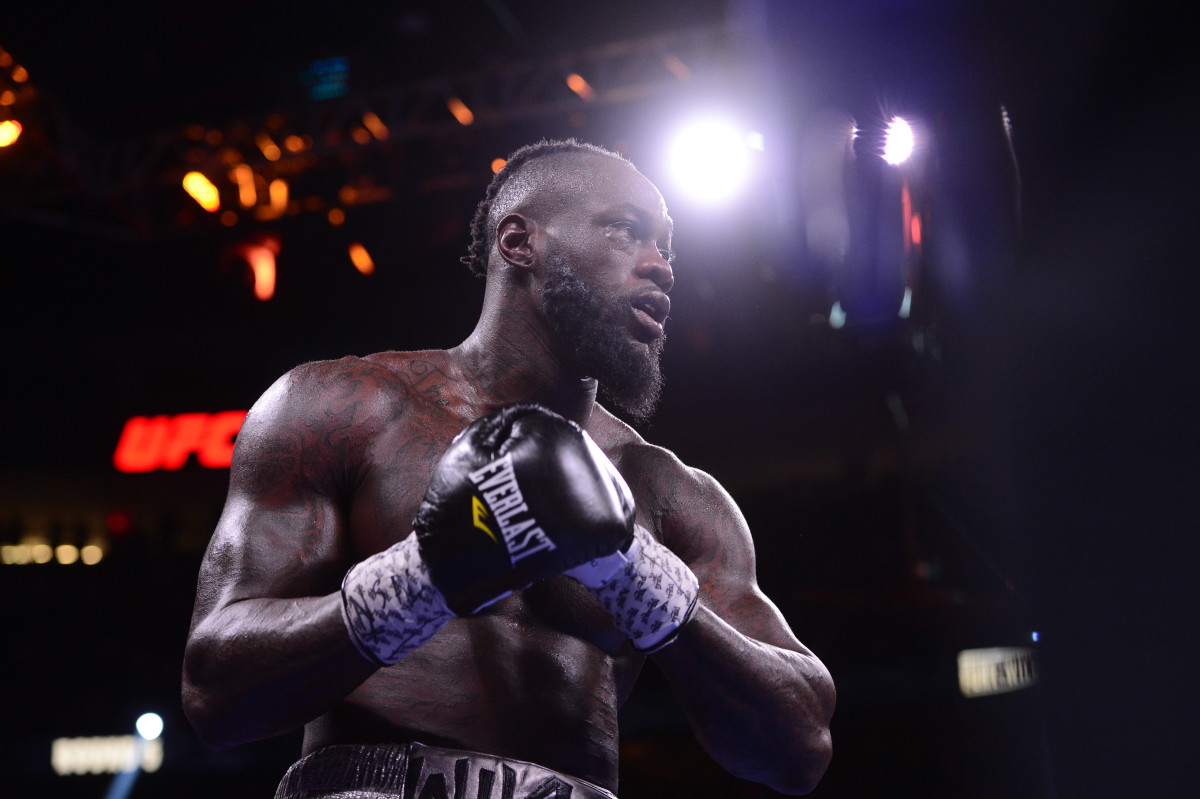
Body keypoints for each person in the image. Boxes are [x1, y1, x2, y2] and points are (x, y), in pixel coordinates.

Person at [182, 139, 835, 798]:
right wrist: (425, 576)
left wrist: (639, 575)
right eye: (626, 230)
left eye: (667, 247)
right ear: (520, 241)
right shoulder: (346, 409)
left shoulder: (667, 491)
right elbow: (214, 689)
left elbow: (800, 746)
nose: (661, 267)